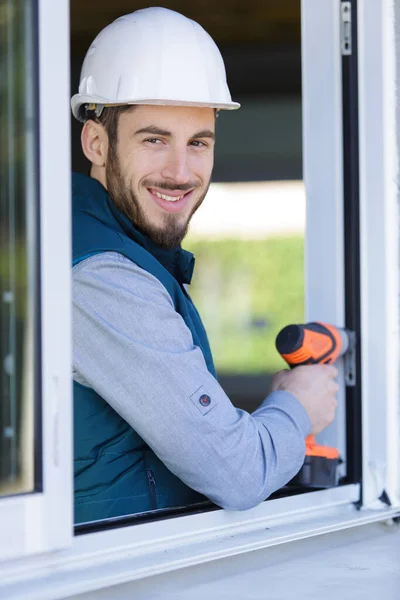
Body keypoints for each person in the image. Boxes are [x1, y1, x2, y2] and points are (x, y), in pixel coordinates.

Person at [71, 7, 339, 525]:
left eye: (198, 143)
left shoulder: (129, 255)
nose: (180, 171)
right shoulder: (100, 274)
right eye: (154, 140)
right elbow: (238, 473)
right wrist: (297, 406)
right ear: (97, 144)